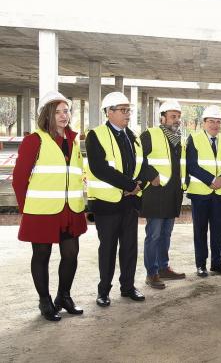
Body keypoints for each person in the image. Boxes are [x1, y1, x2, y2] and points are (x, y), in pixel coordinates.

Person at [13, 91, 87, 321]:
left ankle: (63, 296)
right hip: (41, 210)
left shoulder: (72, 141)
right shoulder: (34, 140)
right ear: (47, 114)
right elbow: (19, 178)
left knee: (71, 253)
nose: (64, 116)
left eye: (66, 111)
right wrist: (27, 208)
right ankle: (44, 301)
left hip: (69, 209)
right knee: (42, 254)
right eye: (58, 112)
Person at [86, 91, 148, 307]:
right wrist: (130, 185)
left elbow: (143, 165)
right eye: (123, 110)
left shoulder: (133, 137)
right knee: (108, 248)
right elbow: (100, 169)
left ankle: (128, 287)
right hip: (107, 205)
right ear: (108, 112)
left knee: (130, 247)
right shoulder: (95, 135)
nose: (127, 114)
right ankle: (103, 291)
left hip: (130, 203)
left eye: (128, 110)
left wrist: (140, 184)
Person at [139, 100, 186, 289]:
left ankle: (163, 268)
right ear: (163, 117)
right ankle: (151, 273)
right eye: (173, 116)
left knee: (166, 234)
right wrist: (152, 175)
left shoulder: (178, 138)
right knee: (154, 234)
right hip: (156, 193)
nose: (176, 120)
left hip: (173, 192)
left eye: (178, 117)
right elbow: (138, 158)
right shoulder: (150, 135)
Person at [186, 105, 221, 277]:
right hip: (200, 193)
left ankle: (217, 263)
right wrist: (211, 180)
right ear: (204, 123)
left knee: (218, 229)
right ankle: (201, 265)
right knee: (200, 230)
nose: (215, 125)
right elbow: (191, 165)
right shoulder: (194, 138)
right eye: (211, 121)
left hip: (220, 194)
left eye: (218, 122)